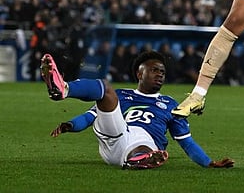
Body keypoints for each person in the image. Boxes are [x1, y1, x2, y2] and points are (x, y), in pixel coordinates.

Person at [40, 51, 234, 170]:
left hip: (142, 145)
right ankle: (63, 89)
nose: (160, 74)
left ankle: (139, 159)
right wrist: (71, 125)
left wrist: (208, 163)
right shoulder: (122, 95)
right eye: (154, 70)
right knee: (106, 90)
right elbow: (89, 117)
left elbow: (187, 143)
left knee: (144, 141)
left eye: (162, 72)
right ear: (139, 74)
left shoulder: (171, 104)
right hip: (114, 137)